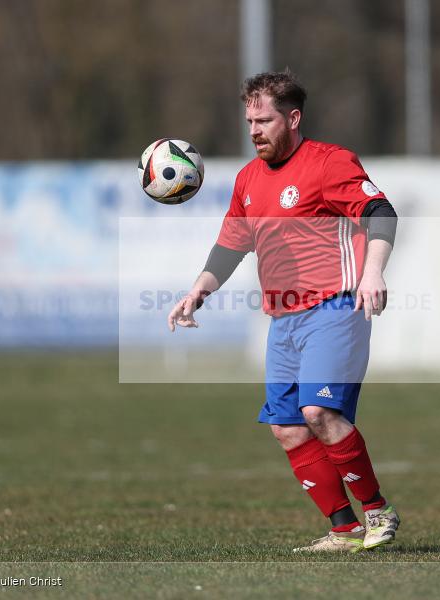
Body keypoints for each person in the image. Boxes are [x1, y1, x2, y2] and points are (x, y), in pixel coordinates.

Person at [166, 70, 399, 553]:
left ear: (292, 118)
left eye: (264, 120)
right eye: (249, 120)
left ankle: (377, 511)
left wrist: (374, 271)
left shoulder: (330, 164)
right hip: (283, 318)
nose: (254, 130)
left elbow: (381, 213)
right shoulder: (248, 180)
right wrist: (198, 291)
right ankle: (344, 530)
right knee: (288, 428)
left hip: (335, 305)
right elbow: (231, 247)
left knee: (319, 411)